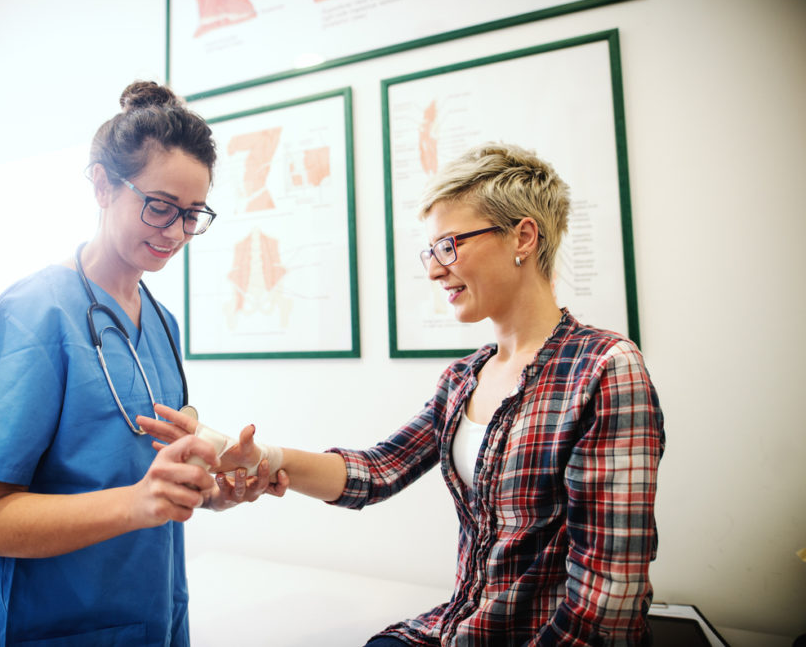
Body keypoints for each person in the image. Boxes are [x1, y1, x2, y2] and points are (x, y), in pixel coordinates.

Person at [140, 142, 665, 645]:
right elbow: (378, 471)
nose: (435, 268)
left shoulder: (604, 370)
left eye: (449, 245)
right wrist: (262, 456)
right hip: (457, 629)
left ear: (523, 237)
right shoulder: (464, 379)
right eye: (431, 251)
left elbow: (607, 605)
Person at [0, 80, 284, 646]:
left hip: (155, 618)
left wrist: (212, 490)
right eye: (160, 207)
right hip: (57, 625)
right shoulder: (31, 315)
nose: (175, 234)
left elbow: (142, 474)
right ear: (101, 184)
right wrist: (139, 503)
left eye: (192, 215)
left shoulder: (162, 323)